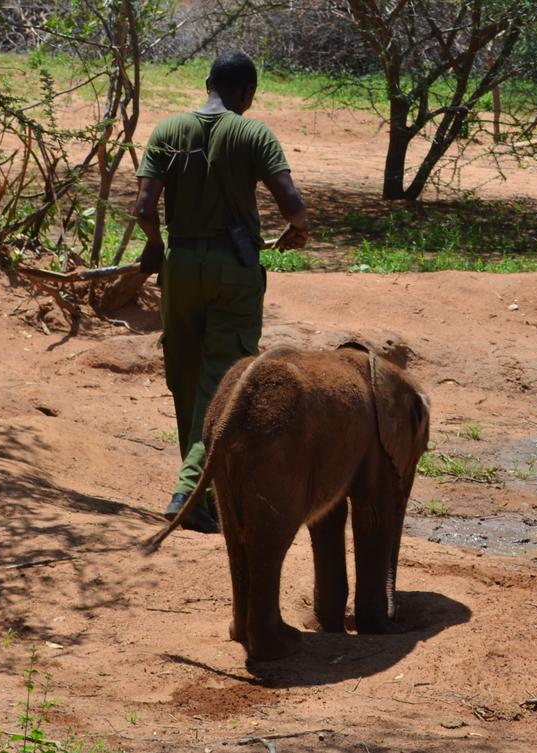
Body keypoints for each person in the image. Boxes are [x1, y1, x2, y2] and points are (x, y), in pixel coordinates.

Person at [134, 51, 309, 533]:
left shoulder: (167, 131)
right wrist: (298, 230)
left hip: (180, 268)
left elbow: (144, 209)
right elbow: (293, 206)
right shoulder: (254, 134)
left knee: (187, 379)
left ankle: (204, 492)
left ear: (207, 83)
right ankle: (191, 492)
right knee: (222, 382)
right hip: (234, 271)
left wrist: (156, 246)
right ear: (246, 92)